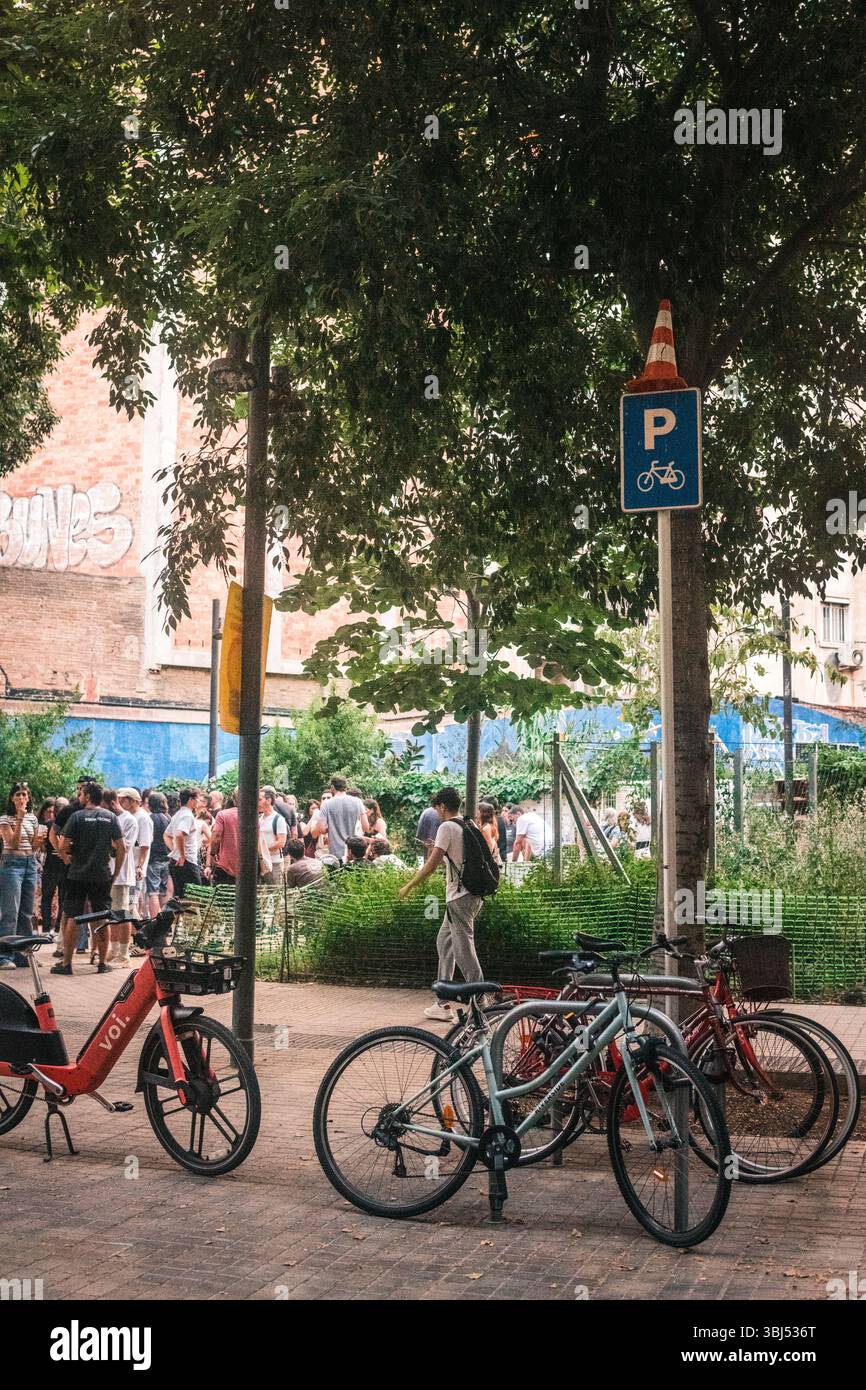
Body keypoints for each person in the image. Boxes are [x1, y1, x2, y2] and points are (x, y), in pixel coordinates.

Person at [399, 786, 486, 1023]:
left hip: (459, 897)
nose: (436, 813)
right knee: (444, 942)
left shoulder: (446, 827)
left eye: (436, 808)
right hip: (471, 895)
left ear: (442, 806)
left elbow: (431, 864)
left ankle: (480, 1003)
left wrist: (409, 885)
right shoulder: (468, 823)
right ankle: (442, 1002)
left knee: (464, 951)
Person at [53, 781, 125, 975]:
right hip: (102, 875)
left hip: (77, 874)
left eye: (81, 794)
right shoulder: (110, 817)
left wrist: (68, 858)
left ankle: (67, 963)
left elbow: (62, 844)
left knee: (73, 916)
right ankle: (102, 963)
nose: (79, 797)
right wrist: (115, 872)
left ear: (87, 796)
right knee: (102, 916)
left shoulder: (76, 817)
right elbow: (122, 847)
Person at [0, 783, 45, 969]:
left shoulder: (33, 818)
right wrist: (18, 819)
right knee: (11, 911)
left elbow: (33, 847)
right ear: (12, 798)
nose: (21, 798)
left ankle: (23, 954)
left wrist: (39, 841)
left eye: (24, 795)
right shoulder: (5, 819)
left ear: (28, 798)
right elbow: (13, 843)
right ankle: (4, 955)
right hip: (12, 864)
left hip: (30, 863)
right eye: (17, 794)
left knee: (26, 912)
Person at [103, 789, 138, 966]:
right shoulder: (110, 818)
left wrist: (105, 836)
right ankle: (114, 949)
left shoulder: (129, 820)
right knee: (111, 914)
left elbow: (124, 846)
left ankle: (124, 954)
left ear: (112, 803)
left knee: (122, 913)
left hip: (122, 874)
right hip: (107, 872)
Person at [119, 788, 152, 946]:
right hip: (129, 867)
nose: (121, 803)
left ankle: (143, 940)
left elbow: (145, 845)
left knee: (132, 905)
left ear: (133, 801)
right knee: (131, 905)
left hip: (135, 868)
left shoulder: (142, 818)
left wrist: (139, 866)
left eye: (123, 800)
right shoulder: (130, 816)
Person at [310, 776, 368, 862]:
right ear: (345, 787)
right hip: (354, 851)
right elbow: (365, 827)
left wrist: (332, 826)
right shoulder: (357, 801)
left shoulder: (326, 804)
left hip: (336, 851)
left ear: (332, 787)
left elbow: (321, 829)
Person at [164, 788, 202, 897]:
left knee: (181, 895)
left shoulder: (177, 815)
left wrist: (175, 850)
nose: (198, 802)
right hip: (187, 861)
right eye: (197, 799)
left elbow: (166, 835)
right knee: (196, 896)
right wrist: (182, 855)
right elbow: (178, 834)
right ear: (191, 800)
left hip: (177, 860)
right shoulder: (187, 816)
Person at [36, 797, 62, 932]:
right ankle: (50, 929)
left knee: (55, 898)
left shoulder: (54, 824)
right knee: (50, 897)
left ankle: (52, 929)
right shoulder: (46, 825)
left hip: (55, 865)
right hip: (51, 865)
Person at [146, 792, 171, 914]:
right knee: (163, 892)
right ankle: (165, 920)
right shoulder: (168, 818)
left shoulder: (150, 818)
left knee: (153, 893)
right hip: (166, 858)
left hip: (153, 859)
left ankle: (154, 920)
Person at [258, 787, 288, 883]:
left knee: (275, 890)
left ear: (269, 800)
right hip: (261, 863)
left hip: (275, 862)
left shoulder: (278, 819)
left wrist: (263, 851)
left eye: (260, 799)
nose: (257, 803)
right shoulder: (259, 819)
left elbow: (281, 843)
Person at [415, 795, 441, 861]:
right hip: (443, 857)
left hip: (428, 857)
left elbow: (419, 837)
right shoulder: (446, 815)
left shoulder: (425, 812)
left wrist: (428, 845)